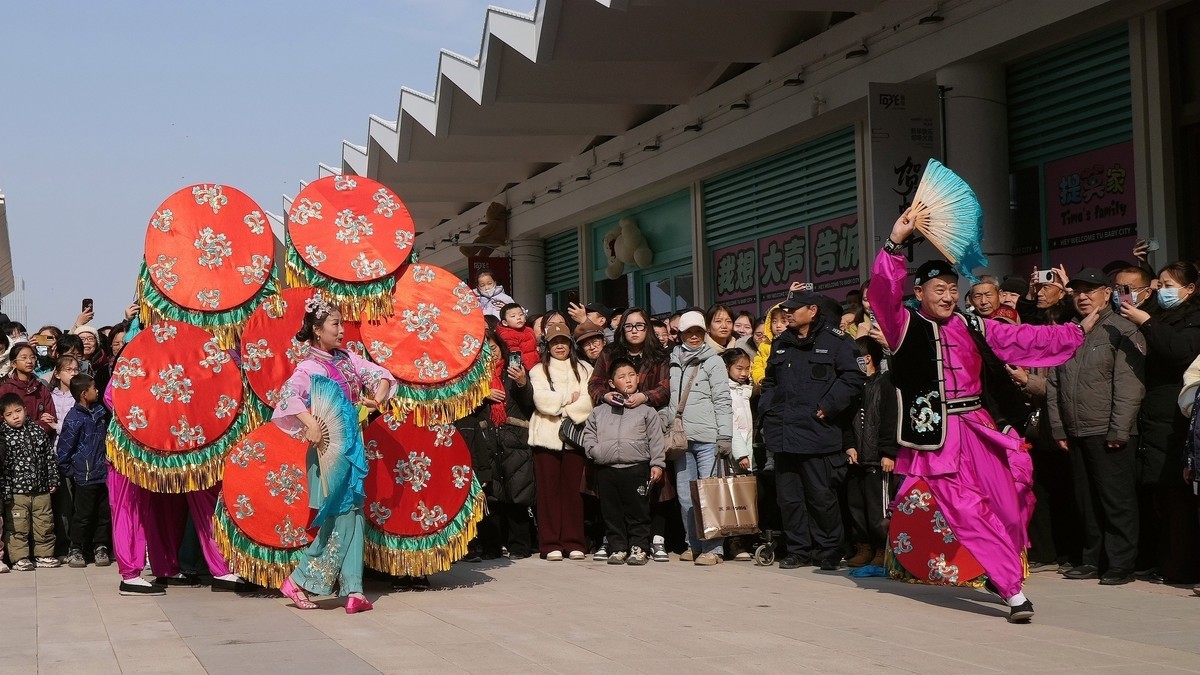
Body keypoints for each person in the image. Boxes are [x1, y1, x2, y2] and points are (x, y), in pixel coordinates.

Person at [870, 211, 1096, 623]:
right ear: (919, 292)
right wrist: (894, 243)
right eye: (938, 289)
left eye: (952, 289)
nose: (946, 297)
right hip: (937, 438)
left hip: (979, 428)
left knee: (1011, 504)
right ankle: (1013, 592)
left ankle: (998, 572)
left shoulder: (973, 324)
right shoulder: (902, 324)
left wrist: (1076, 327)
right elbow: (882, 290)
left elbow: (1023, 338)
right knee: (968, 514)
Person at [274, 292, 395, 613]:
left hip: (352, 446)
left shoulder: (347, 359)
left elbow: (383, 376)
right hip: (327, 451)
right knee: (341, 520)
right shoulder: (309, 367)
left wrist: (377, 400)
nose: (342, 330)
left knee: (353, 516)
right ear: (317, 329)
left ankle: (354, 591)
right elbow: (287, 397)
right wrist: (308, 423)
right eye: (335, 324)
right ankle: (299, 580)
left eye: (342, 324)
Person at [1046, 268, 1145, 585]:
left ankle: (1121, 563)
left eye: (1090, 290)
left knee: (1116, 500)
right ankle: (1091, 559)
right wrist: (1059, 428)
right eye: (1077, 291)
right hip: (1076, 431)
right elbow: (1053, 384)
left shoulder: (1122, 330)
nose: (1083, 297)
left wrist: (1119, 429)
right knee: (1085, 501)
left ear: (1107, 292)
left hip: (1108, 430)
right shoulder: (1069, 331)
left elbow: (1129, 385)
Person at [759, 290, 864, 571]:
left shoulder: (836, 342)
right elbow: (769, 381)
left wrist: (829, 405)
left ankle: (828, 550)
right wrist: (768, 408)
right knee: (789, 498)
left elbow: (854, 377)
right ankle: (798, 550)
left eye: (795, 309)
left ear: (813, 310)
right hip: (783, 433)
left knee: (821, 496)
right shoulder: (782, 343)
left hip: (818, 432)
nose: (789, 314)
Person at [1118, 260, 1200, 582]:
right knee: (1159, 499)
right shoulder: (1159, 312)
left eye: (1168, 285)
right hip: (1152, 415)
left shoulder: (1192, 317)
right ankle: (1163, 561)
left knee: (1178, 498)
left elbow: (1177, 350)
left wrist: (1147, 321)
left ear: (1190, 289)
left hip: (1175, 415)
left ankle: (1181, 567)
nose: (1161, 291)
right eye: (1159, 284)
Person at [587, 308, 672, 561]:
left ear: (647, 328)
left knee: (648, 497)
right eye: (629, 326)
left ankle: (647, 542)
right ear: (622, 329)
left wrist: (645, 396)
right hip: (611, 434)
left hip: (644, 433)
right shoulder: (610, 353)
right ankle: (614, 543)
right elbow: (595, 384)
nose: (634, 330)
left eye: (640, 325)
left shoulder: (659, 355)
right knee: (610, 502)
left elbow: (665, 389)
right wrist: (605, 395)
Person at [669, 309, 732, 566]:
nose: (694, 337)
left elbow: (722, 400)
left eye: (698, 332)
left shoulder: (713, 361)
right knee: (686, 496)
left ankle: (714, 548)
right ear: (680, 334)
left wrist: (725, 435)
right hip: (681, 440)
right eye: (689, 332)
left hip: (708, 439)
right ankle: (693, 544)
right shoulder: (671, 361)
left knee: (709, 495)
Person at [529, 323, 594, 561]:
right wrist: (568, 398)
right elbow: (542, 401)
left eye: (563, 342)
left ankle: (574, 541)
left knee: (573, 492)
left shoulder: (585, 368)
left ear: (570, 344)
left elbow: (588, 402)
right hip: (545, 437)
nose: (559, 346)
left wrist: (563, 408)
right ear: (547, 345)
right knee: (548, 493)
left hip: (575, 436)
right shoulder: (538, 370)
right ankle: (550, 544)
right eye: (555, 342)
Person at [843, 336, 901, 568]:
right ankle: (863, 546)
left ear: (866, 358)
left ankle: (881, 548)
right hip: (856, 457)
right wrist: (849, 445)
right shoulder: (851, 385)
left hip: (878, 459)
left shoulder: (885, 384)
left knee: (879, 507)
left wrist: (888, 452)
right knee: (856, 505)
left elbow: (890, 420)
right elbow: (846, 420)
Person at [486, 334, 537, 560]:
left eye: (494, 347)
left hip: (514, 438)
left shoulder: (514, 371)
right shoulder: (477, 377)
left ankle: (519, 546)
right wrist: (482, 394)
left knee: (518, 493)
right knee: (492, 496)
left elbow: (528, 401)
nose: (492, 352)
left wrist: (522, 382)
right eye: (486, 348)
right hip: (488, 438)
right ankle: (492, 546)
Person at [55, 374, 112, 569]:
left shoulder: (100, 413)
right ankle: (76, 548)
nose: (97, 391)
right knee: (83, 515)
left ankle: (100, 546)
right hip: (84, 477)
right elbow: (63, 451)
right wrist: (75, 471)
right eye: (93, 388)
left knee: (103, 514)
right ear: (83, 394)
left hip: (103, 474)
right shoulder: (74, 418)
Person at [1, 391, 60, 571]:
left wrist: (53, 478)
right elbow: (3, 469)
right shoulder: (4, 435)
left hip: (41, 488)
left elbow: (49, 457)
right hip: (17, 492)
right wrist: (6, 492)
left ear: (25, 410)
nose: (15, 417)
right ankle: (20, 557)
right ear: (3, 417)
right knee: (18, 526)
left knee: (45, 523)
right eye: (9, 414)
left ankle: (44, 555)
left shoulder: (37, 431)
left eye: (18, 411)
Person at [0, 344, 56, 433]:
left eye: (32, 357)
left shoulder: (41, 388)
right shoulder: (5, 389)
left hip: (39, 441)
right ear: (13, 363)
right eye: (24, 358)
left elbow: (51, 419)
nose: (29, 361)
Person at [497, 303, 539, 371]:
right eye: (513, 316)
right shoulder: (507, 335)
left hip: (536, 364)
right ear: (505, 323)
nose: (519, 318)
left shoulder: (529, 330)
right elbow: (514, 355)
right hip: (523, 369)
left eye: (521, 314)